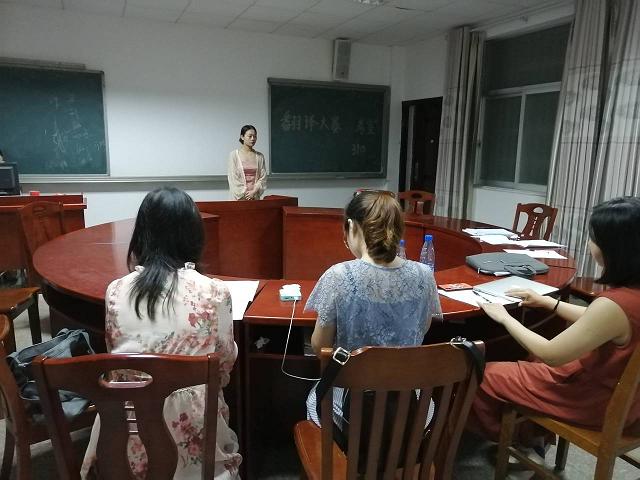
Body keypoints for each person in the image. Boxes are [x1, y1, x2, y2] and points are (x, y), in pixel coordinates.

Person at [81, 187, 241, 479]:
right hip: (195, 432)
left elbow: (117, 360)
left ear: (142, 234)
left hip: (127, 433)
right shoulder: (215, 292)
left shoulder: (116, 291)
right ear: (194, 236)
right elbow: (223, 366)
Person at [468, 196, 640, 449]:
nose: (589, 243)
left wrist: (505, 318)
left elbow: (551, 354)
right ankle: (535, 434)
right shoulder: (629, 296)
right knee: (530, 360)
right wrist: (550, 303)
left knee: (484, 374)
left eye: (594, 238)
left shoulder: (614, 305)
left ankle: (517, 437)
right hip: (628, 399)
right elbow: (599, 320)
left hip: (595, 401)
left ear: (614, 248)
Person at [304, 190, 441, 424]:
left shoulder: (338, 276)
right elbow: (421, 329)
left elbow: (320, 348)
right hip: (408, 407)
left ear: (352, 227)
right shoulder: (424, 275)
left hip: (350, 408)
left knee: (313, 401)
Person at [227, 125, 267, 200]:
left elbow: (263, 177)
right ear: (242, 137)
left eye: (255, 136)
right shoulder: (234, 155)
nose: (253, 139)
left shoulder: (260, 156)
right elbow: (233, 178)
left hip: (254, 197)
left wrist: (253, 192)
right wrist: (246, 193)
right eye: (250, 136)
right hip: (238, 198)